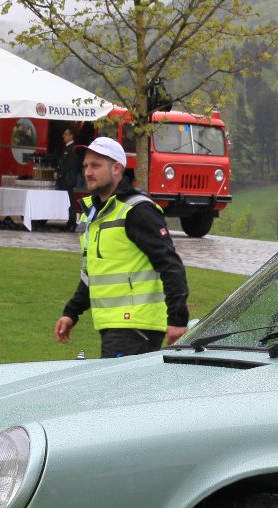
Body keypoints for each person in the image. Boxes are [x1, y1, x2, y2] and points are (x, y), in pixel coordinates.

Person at [53, 137, 189, 358]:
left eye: (95, 165)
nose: (88, 172)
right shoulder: (94, 215)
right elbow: (94, 273)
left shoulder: (137, 210)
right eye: (85, 166)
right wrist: (72, 312)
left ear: (117, 168)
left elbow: (170, 265)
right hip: (115, 326)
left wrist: (177, 319)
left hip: (135, 325)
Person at [53, 125, 83, 232]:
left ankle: (72, 222)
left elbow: (70, 164)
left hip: (68, 179)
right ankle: (69, 221)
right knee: (66, 202)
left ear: (71, 136)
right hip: (63, 179)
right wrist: (56, 170)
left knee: (70, 201)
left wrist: (60, 173)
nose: (63, 136)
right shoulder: (66, 147)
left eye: (66, 134)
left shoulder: (73, 148)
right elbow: (61, 162)